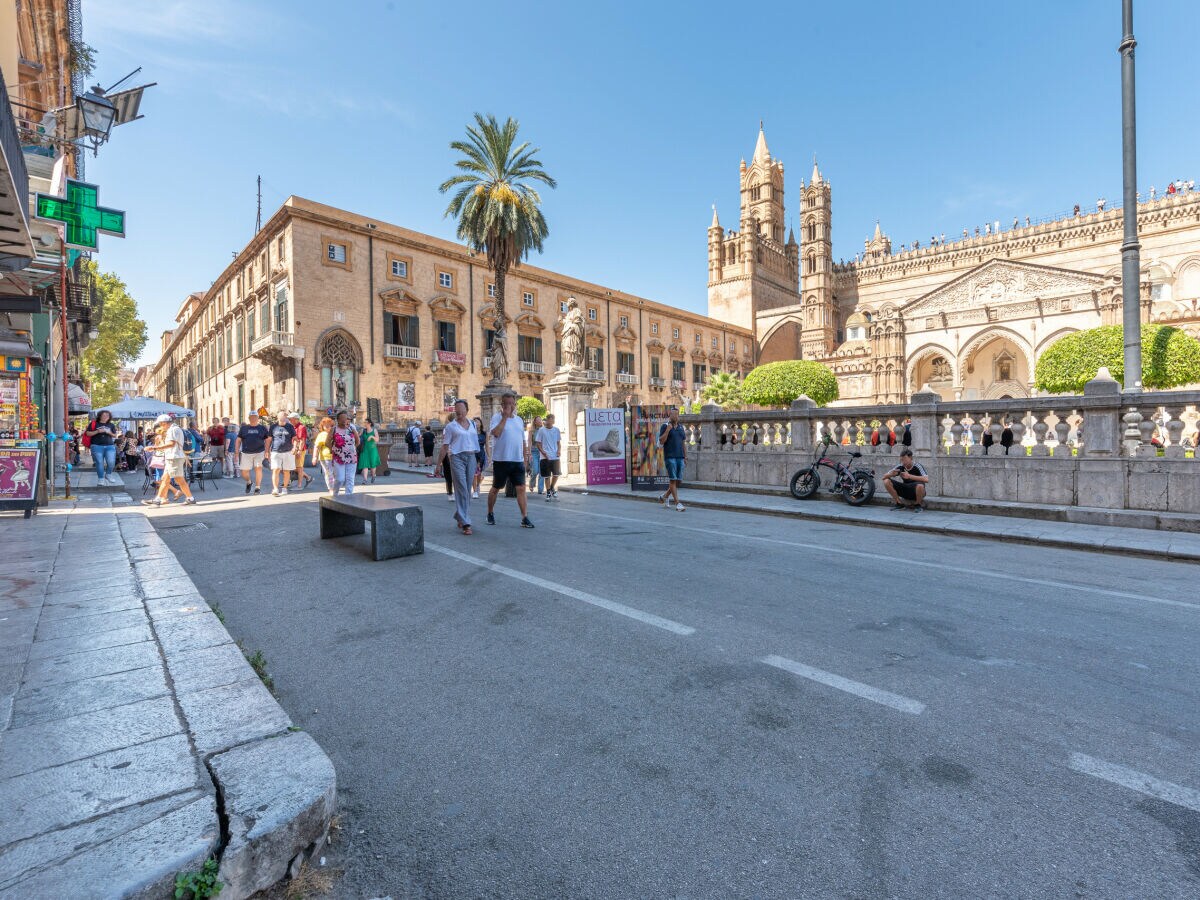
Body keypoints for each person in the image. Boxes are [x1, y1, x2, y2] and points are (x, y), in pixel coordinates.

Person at [485, 391, 534, 528]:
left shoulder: (518, 420)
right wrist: (505, 417)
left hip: (517, 461)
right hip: (501, 460)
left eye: (512, 403)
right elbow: (495, 433)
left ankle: (524, 517)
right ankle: (490, 512)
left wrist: (525, 459)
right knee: (496, 488)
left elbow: (522, 441)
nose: (510, 406)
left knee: (521, 488)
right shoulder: (496, 418)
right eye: (507, 404)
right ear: (502, 404)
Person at [439, 399, 480, 534]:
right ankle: (466, 523)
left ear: (467, 410)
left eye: (462, 409)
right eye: (457, 409)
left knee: (467, 489)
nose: (459, 412)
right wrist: (438, 464)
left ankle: (459, 515)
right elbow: (445, 446)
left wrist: (479, 459)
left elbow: (476, 442)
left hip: (471, 457)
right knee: (461, 488)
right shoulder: (451, 426)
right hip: (457, 458)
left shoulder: (473, 424)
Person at [143, 414, 195, 507]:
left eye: (160, 424)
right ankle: (158, 499)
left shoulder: (172, 430)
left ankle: (190, 498)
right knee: (165, 480)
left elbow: (171, 444)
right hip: (173, 457)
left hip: (174, 457)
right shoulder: (174, 429)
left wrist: (154, 448)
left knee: (179, 480)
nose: (160, 426)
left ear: (164, 423)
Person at [657, 406, 687, 512]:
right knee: (673, 479)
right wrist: (668, 430)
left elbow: (683, 442)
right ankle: (678, 503)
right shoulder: (665, 426)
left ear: (678, 416)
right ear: (670, 415)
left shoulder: (681, 427)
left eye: (675, 414)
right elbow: (661, 441)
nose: (673, 416)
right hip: (670, 457)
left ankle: (665, 496)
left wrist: (685, 456)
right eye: (672, 414)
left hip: (680, 457)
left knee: (679, 481)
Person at [236, 411, 270, 494]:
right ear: (249, 418)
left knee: (258, 468)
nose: (253, 418)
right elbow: (238, 440)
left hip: (259, 452)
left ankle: (257, 487)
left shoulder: (262, 428)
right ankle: (249, 481)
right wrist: (236, 452)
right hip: (246, 453)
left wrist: (267, 451)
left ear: (258, 418)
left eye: (255, 417)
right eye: (251, 417)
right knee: (244, 471)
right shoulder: (244, 428)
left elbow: (267, 440)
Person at [330, 410, 361, 495]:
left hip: (351, 457)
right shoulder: (334, 429)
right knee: (340, 479)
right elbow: (327, 442)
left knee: (350, 478)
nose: (345, 420)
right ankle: (335, 493)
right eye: (343, 418)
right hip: (338, 457)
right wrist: (332, 451)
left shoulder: (352, 428)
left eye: (346, 418)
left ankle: (348, 497)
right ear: (338, 420)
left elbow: (358, 441)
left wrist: (352, 449)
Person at [86, 409, 120, 486]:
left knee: (111, 462)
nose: (106, 417)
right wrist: (97, 431)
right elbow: (87, 434)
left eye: (107, 415)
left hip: (109, 446)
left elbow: (115, 435)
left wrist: (109, 432)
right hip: (96, 446)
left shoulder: (111, 425)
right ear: (100, 416)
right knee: (99, 463)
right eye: (104, 415)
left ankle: (108, 474)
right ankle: (101, 479)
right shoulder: (94, 424)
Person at [267, 411, 297, 496]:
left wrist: (295, 447)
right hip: (275, 451)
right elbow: (269, 440)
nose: (284, 418)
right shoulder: (273, 427)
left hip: (288, 451)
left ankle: (284, 488)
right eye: (282, 416)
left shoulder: (290, 427)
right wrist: (267, 451)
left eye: (285, 416)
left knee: (286, 471)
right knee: (276, 469)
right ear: (278, 417)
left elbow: (294, 438)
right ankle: (275, 489)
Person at [535, 413, 562, 500]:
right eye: (551, 419)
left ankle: (552, 487)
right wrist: (543, 452)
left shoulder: (556, 430)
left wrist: (558, 451)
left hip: (555, 456)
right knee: (547, 476)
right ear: (548, 420)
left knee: (556, 474)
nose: (552, 421)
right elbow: (538, 444)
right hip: (545, 457)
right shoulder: (541, 430)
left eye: (553, 420)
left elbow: (558, 443)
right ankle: (548, 492)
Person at [289, 412, 314, 490]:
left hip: (299, 449)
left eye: (291, 419)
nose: (290, 420)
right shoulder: (293, 427)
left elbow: (302, 440)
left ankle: (299, 486)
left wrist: (299, 450)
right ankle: (308, 477)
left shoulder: (301, 427)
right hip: (293, 449)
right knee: (293, 467)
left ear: (296, 419)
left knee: (299, 468)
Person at [312, 417, 336, 494]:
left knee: (334, 473)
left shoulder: (334, 434)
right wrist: (314, 457)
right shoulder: (322, 434)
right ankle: (331, 488)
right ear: (322, 427)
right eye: (326, 426)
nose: (329, 427)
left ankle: (334, 487)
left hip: (335, 457)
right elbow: (317, 446)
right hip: (326, 457)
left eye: (330, 426)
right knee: (329, 473)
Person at [357, 417, 381, 484]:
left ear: (369, 423)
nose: (364, 424)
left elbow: (377, 440)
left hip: (372, 449)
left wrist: (372, 437)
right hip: (364, 449)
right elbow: (357, 437)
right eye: (364, 422)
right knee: (365, 464)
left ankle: (373, 475)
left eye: (366, 423)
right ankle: (365, 479)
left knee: (373, 465)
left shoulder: (374, 430)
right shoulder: (363, 430)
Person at [527, 415, 545, 495]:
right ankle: (531, 483)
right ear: (534, 422)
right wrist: (529, 453)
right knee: (535, 471)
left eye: (540, 420)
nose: (539, 421)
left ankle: (540, 490)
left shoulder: (544, 430)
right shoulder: (532, 431)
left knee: (542, 472)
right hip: (534, 452)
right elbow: (529, 442)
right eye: (538, 420)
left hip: (542, 452)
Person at [471, 416, 487, 498]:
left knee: (479, 473)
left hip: (481, 454)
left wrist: (489, 456)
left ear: (480, 423)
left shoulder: (484, 433)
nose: (476, 423)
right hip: (473, 454)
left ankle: (477, 486)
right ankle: (475, 491)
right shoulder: (471, 433)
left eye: (477, 421)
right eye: (474, 422)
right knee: (474, 474)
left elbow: (487, 445)